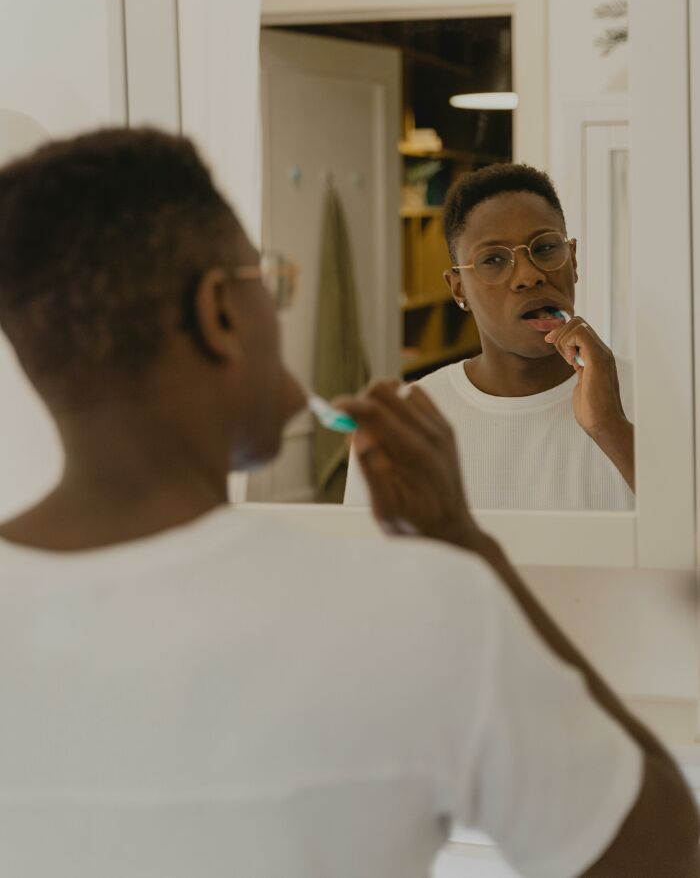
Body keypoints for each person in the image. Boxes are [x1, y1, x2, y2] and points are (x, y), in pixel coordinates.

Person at [0, 128, 695, 878]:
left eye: (544, 249)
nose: (525, 274)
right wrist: (468, 549)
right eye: (270, 280)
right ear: (220, 313)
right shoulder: (421, 610)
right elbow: (664, 852)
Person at [345, 163, 635, 511]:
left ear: (572, 261)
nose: (528, 276)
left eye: (544, 249)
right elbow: (371, 562)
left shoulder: (656, 396)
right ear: (458, 289)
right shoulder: (398, 428)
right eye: (494, 259)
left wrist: (611, 427)